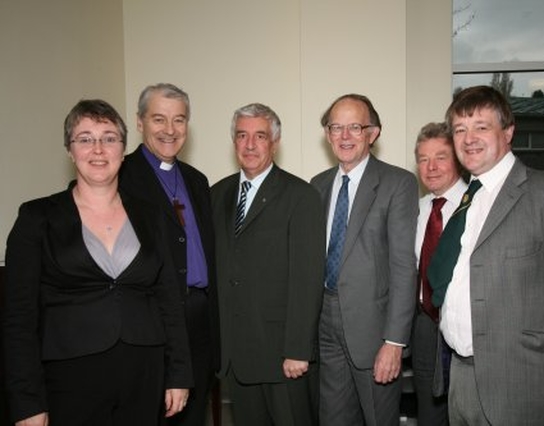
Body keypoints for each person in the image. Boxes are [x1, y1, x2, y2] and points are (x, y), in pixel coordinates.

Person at [3, 99, 192, 426]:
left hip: (144, 371)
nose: (98, 149)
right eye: (85, 138)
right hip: (69, 377)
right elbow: (18, 318)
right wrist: (26, 401)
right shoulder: (37, 218)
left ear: (123, 148)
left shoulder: (151, 216)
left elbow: (169, 300)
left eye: (109, 138)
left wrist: (179, 373)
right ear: (69, 150)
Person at [428, 85, 544, 425]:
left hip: (526, 386)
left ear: (508, 131)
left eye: (481, 126)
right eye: (460, 130)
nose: (468, 138)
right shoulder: (468, 199)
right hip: (461, 380)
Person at [210, 103, 325, 426]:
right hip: (236, 355)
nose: (249, 145)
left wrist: (298, 349)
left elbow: (308, 278)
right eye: (242, 135)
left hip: (282, 356)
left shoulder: (300, 196)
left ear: (274, 142)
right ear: (234, 141)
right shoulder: (216, 195)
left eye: (259, 136)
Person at [310, 94, 419, 426]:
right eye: (336, 127)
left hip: (374, 332)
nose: (344, 136)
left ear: (373, 133)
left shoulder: (398, 184)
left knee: (378, 419)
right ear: (327, 134)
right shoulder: (318, 185)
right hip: (325, 324)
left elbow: (404, 268)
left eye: (354, 127)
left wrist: (394, 341)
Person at [119, 83, 219, 426]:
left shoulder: (196, 180)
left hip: (199, 317)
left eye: (179, 120)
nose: (170, 130)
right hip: (152, 319)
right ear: (140, 121)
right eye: (159, 119)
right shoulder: (120, 177)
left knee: (192, 415)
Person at [411, 122, 467, 426]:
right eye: (423, 159)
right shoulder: (414, 210)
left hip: (467, 331)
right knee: (430, 415)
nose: (431, 167)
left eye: (441, 157)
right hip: (425, 329)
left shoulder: (478, 206)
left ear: (457, 159)